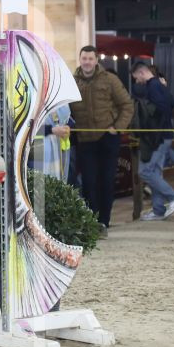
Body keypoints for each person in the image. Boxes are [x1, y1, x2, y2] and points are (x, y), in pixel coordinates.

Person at [67, 46, 134, 236]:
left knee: (106, 181)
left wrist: (117, 127)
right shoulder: (72, 82)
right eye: (84, 58)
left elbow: (127, 105)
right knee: (88, 183)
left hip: (107, 139)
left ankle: (104, 221)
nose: (87, 62)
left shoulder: (110, 80)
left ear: (96, 60)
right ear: (80, 60)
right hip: (84, 140)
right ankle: (92, 222)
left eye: (90, 58)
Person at [131, 60, 174, 220]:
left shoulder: (152, 87)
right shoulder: (159, 85)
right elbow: (171, 103)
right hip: (163, 135)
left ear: (142, 72)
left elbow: (163, 109)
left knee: (145, 171)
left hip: (157, 137)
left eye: (136, 78)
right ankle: (158, 210)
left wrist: (154, 130)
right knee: (155, 173)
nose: (137, 81)